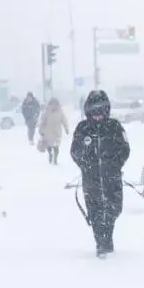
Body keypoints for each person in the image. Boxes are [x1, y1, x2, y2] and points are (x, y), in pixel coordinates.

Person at [70, 90, 130, 257]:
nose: (97, 116)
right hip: (91, 180)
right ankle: (101, 244)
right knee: (95, 212)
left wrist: (114, 164)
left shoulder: (115, 127)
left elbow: (125, 149)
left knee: (114, 209)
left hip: (113, 178)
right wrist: (86, 166)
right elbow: (75, 151)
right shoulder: (82, 129)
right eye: (93, 111)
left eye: (100, 111)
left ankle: (107, 238)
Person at [38, 97, 69, 165]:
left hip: (57, 132)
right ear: (50, 104)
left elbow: (64, 120)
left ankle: (55, 159)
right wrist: (41, 131)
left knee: (56, 146)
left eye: (55, 104)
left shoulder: (60, 112)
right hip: (48, 132)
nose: (54, 105)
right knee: (48, 146)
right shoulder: (46, 112)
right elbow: (42, 122)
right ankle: (50, 154)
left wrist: (66, 128)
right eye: (53, 104)